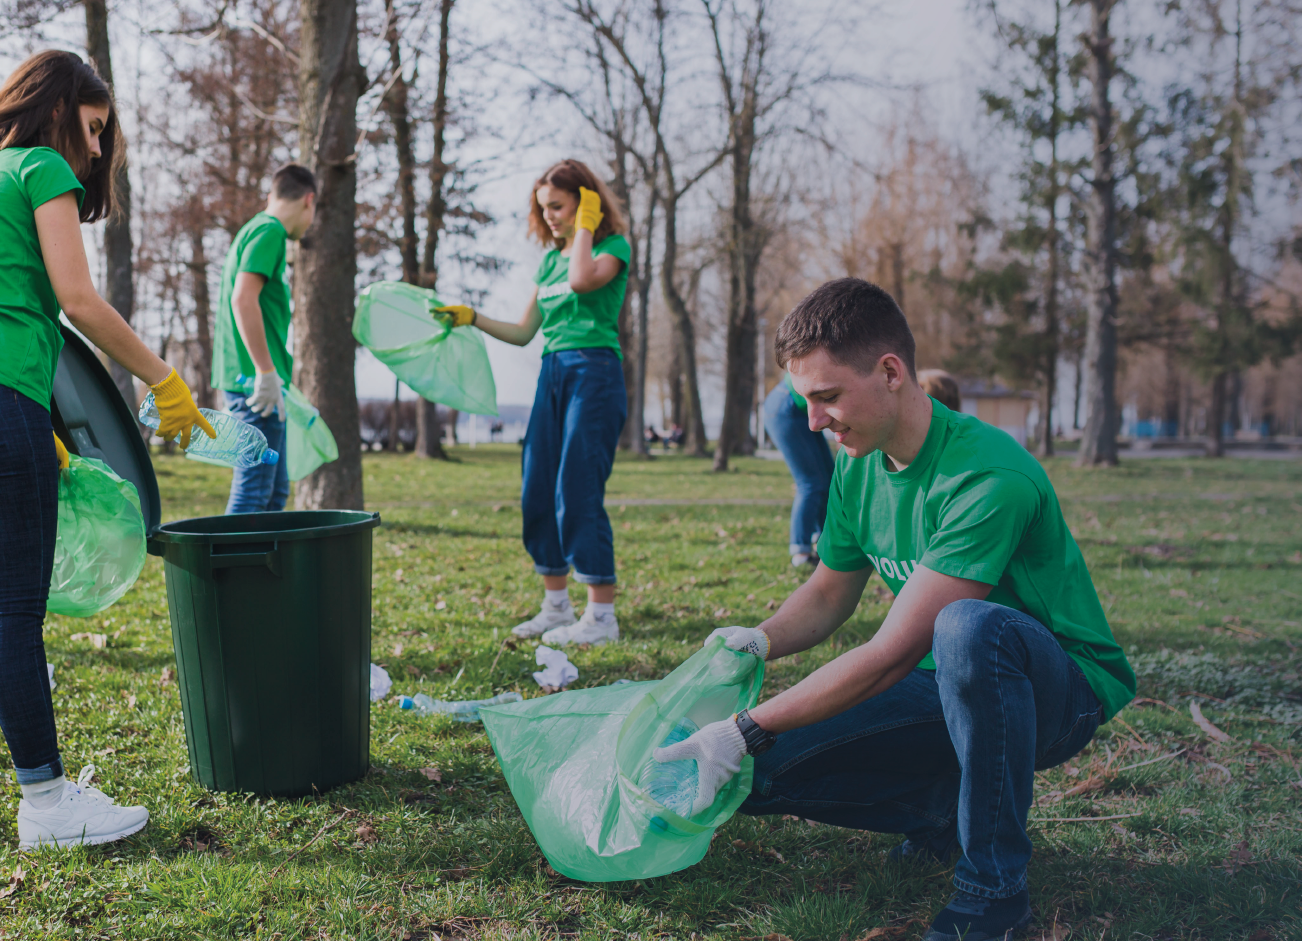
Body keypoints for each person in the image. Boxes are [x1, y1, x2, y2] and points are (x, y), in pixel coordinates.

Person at [653, 279, 1135, 941]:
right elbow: (828, 592)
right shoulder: (859, 460)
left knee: (968, 628)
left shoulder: (987, 475)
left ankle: (991, 892)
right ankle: (944, 810)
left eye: (826, 397)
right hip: (942, 680)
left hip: (1052, 692)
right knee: (752, 777)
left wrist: (743, 725)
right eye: (804, 402)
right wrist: (758, 639)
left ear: (889, 372)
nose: (814, 421)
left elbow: (888, 655)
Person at [0, 50, 217, 851]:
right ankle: (48, 804)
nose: (94, 152)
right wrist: (163, 379)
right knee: (14, 616)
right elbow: (77, 301)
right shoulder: (44, 169)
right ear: (59, 110)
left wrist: (43, 427)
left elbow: (6, 305)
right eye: (92, 130)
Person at [433, 159, 630, 646]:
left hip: (595, 372)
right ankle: (557, 606)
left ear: (585, 202)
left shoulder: (612, 247)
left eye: (559, 207)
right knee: (538, 486)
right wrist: (472, 317)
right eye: (544, 210)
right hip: (553, 372)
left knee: (577, 488)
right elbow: (523, 333)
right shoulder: (548, 263)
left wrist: (586, 225)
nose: (550, 218)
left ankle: (602, 616)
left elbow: (583, 280)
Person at [209, 165, 318, 513]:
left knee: (273, 493)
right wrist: (266, 372)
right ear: (309, 201)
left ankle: (263, 568)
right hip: (255, 385)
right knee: (255, 491)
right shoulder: (270, 232)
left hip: (254, 381)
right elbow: (243, 299)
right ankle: (228, 568)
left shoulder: (254, 230)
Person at [763, 369, 835, 568]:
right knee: (811, 484)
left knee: (830, 479)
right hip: (785, 407)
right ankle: (800, 552)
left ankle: (824, 545)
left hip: (800, 408)